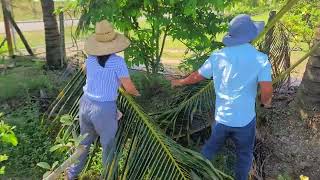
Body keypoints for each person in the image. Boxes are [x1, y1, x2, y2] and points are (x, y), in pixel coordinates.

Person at [171, 14, 273, 180]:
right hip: (245, 121)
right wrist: (265, 102)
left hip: (222, 118)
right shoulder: (260, 59)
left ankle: (193, 174)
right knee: (244, 155)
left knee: (210, 149)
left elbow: (197, 76)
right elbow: (267, 90)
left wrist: (180, 82)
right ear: (250, 36)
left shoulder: (218, 56)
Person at [66, 20, 140, 179]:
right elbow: (129, 87)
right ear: (114, 43)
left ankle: (71, 174)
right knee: (108, 148)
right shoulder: (118, 62)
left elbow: (87, 73)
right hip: (103, 110)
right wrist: (137, 94)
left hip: (85, 105)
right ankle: (107, 177)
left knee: (83, 144)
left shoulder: (90, 60)